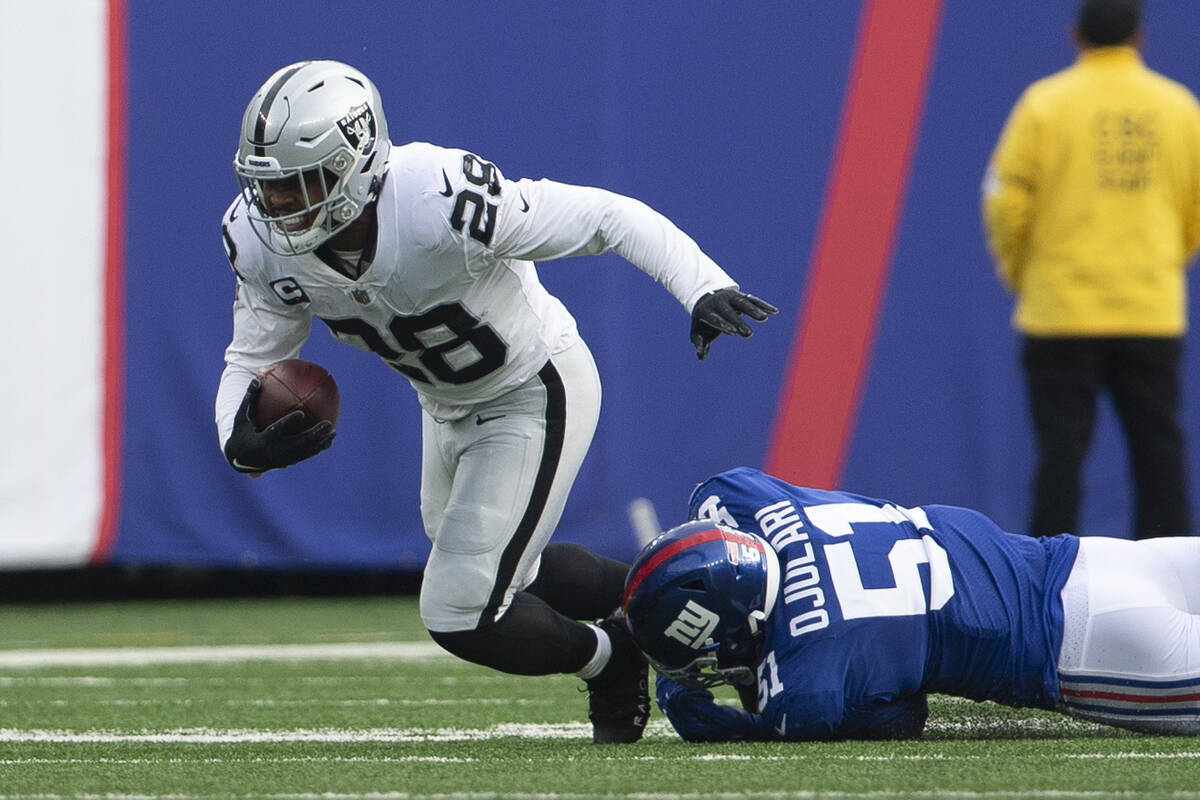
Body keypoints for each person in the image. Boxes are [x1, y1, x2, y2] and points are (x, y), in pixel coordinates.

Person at [213, 60, 776, 745]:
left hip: (534, 391)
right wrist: (237, 442)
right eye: (268, 188)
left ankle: (613, 655)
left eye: (300, 184)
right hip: (445, 405)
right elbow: (250, 360)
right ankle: (693, 596)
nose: (279, 207)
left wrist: (700, 285)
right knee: (520, 567)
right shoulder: (260, 242)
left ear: (357, 163)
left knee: (460, 607)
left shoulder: (438, 198)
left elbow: (604, 215)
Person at [621, 466, 1200, 741]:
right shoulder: (751, 501)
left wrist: (704, 715)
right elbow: (711, 493)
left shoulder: (806, 688)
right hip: (1087, 559)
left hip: (1089, 650)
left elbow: (903, 716)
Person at [982, 0, 1200, 540]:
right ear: (1139, 39)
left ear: (1075, 36)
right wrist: (1164, 261)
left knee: (1060, 457)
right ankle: (1179, 582)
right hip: (1148, 308)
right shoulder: (1177, 107)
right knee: (1158, 454)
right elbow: (1194, 206)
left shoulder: (1045, 105)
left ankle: (1044, 585)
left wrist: (1022, 272)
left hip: (1060, 308)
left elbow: (1005, 201)